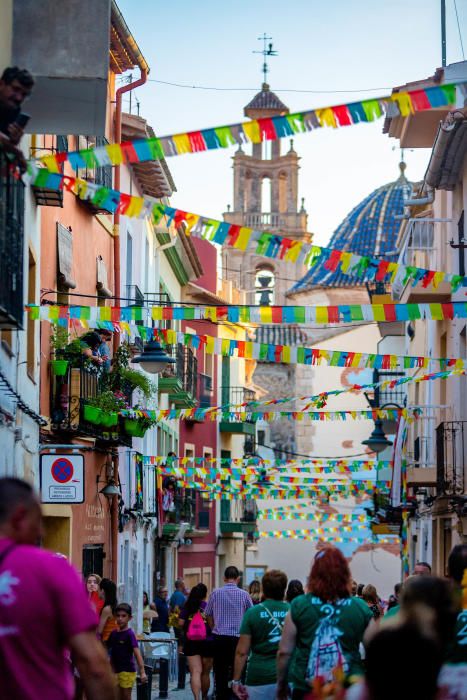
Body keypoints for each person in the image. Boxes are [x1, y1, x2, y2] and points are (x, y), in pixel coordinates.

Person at [0, 477, 116, 700]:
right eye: (38, 520)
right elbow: (94, 664)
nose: (42, 531)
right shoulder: (50, 568)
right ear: (19, 517)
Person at [276, 546, 374, 700]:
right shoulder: (360, 607)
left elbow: (284, 652)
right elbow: (377, 650)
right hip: (349, 689)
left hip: (307, 688)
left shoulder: (299, 605)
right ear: (345, 574)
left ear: (314, 573)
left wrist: (281, 684)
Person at [232, 569, 289, 700]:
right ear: (284, 589)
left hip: (258, 676)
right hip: (286, 675)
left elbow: (241, 652)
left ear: (264, 588)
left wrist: (236, 681)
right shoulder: (292, 611)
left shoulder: (252, 613)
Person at [205, 565, 253, 700]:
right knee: (239, 669)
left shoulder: (215, 593)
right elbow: (251, 614)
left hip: (220, 637)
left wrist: (213, 625)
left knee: (220, 669)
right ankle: (237, 694)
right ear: (238, 579)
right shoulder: (244, 595)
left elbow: (207, 613)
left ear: (224, 578)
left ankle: (221, 695)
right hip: (238, 638)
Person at [179, 583, 214, 700]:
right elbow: (212, 624)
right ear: (205, 595)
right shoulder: (208, 606)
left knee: (195, 672)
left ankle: (196, 699)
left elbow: (180, 623)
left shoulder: (187, 606)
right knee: (205, 673)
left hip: (191, 641)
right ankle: (204, 697)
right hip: (208, 641)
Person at [107, 603, 147, 699]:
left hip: (127, 671)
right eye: (118, 616)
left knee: (125, 696)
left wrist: (142, 671)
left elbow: (137, 653)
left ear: (130, 618)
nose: (120, 618)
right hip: (114, 671)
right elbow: (108, 651)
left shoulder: (130, 634)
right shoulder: (113, 634)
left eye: (124, 616)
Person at [0, 66, 34, 171]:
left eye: (24, 94)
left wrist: (13, 140)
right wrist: (16, 152)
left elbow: (4, 142)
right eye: (15, 89)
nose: (19, 97)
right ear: (1, 84)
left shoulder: (14, 110)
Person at [98, 578, 118, 644]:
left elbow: (99, 630)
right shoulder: (113, 606)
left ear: (102, 591)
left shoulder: (107, 609)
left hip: (108, 642)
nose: (97, 591)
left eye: (99, 589)